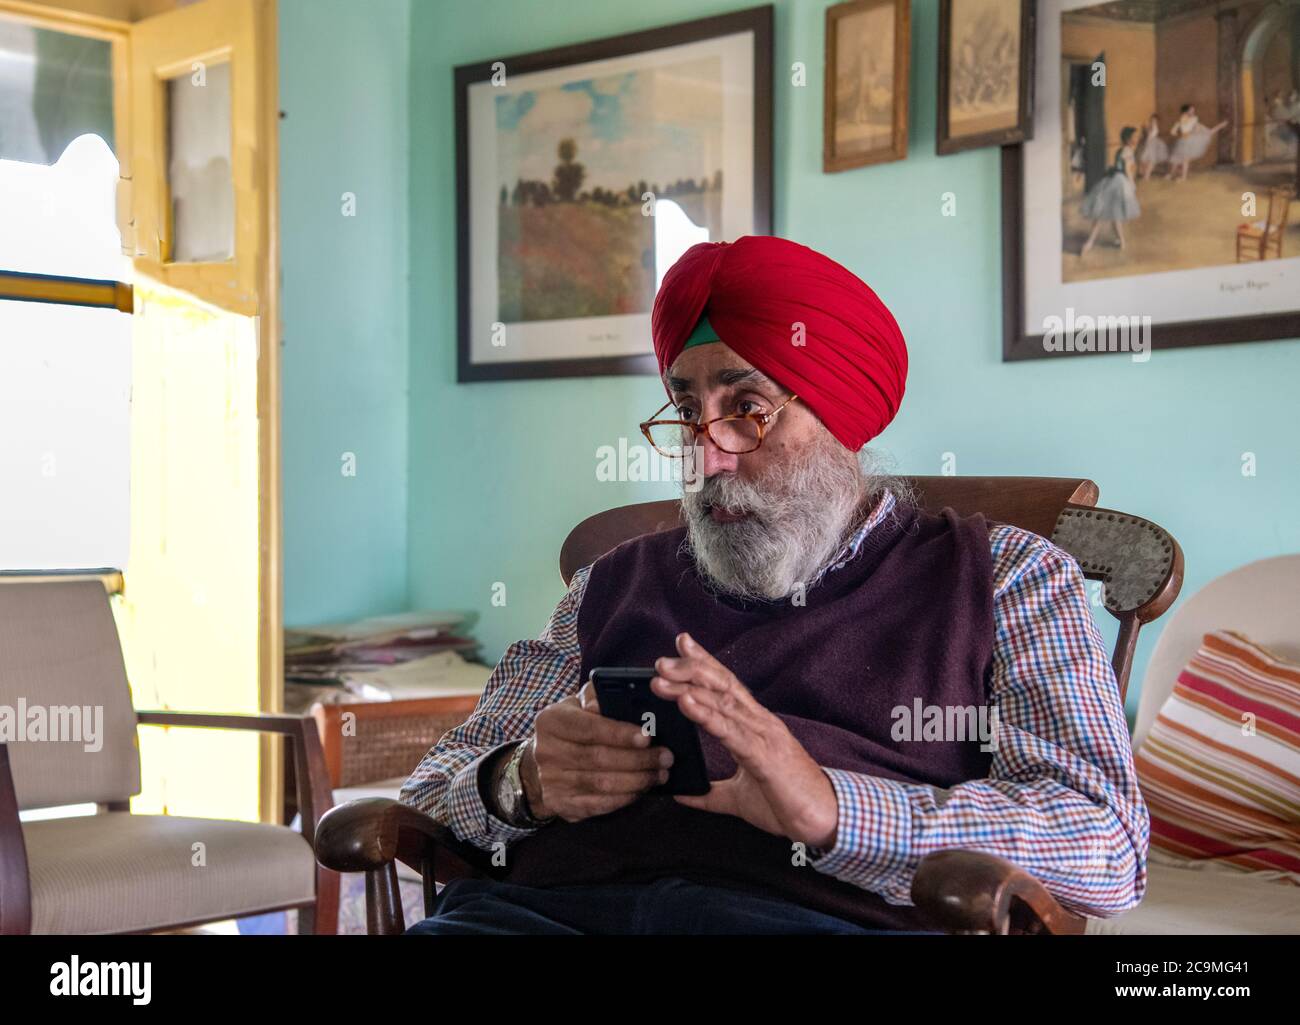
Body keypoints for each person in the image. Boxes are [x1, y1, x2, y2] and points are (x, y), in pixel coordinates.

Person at [400, 236, 1149, 935]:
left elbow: (1107, 845)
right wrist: (520, 780)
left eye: (746, 409)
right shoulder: (610, 583)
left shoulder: (1004, 575)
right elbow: (429, 792)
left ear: (842, 417)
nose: (707, 456)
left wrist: (831, 807)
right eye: (688, 413)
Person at [1080, 126, 1141, 257]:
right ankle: (1090, 243)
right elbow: (1127, 170)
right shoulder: (1128, 151)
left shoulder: (1121, 150)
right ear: (1128, 138)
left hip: (1113, 180)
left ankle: (1120, 242)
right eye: (1135, 137)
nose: (1137, 139)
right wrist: (1132, 185)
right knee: (1108, 214)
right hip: (1120, 182)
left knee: (1112, 214)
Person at [1167, 103, 1228, 181]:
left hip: (1190, 141)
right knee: (1176, 159)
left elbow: (1201, 129)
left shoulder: (1194, 119)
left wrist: (1193, 131)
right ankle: (1171, 174)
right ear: (1186, 111)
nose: (1193, 111)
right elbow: (1173, 132)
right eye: (1191, 110)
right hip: (1183, 141)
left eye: (1193, 110)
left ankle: (1183, 177)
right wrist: (1180, 133)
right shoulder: (1180, 120)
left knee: (1185, 160)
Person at [1137, 113, 1168, 180]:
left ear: (1157, 121)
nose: (1153, 121)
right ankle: (1145, 175)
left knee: (1151, 160)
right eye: (1152, 120)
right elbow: (1144, 135)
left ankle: (1146, 176)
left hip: (1152, 144)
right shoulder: (1149, 126)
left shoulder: (1155, 128)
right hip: (1147, 143)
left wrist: (1146, 130)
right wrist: (1144, 129)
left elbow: (1150, 135)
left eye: (1155, 121)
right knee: (1143, 159)